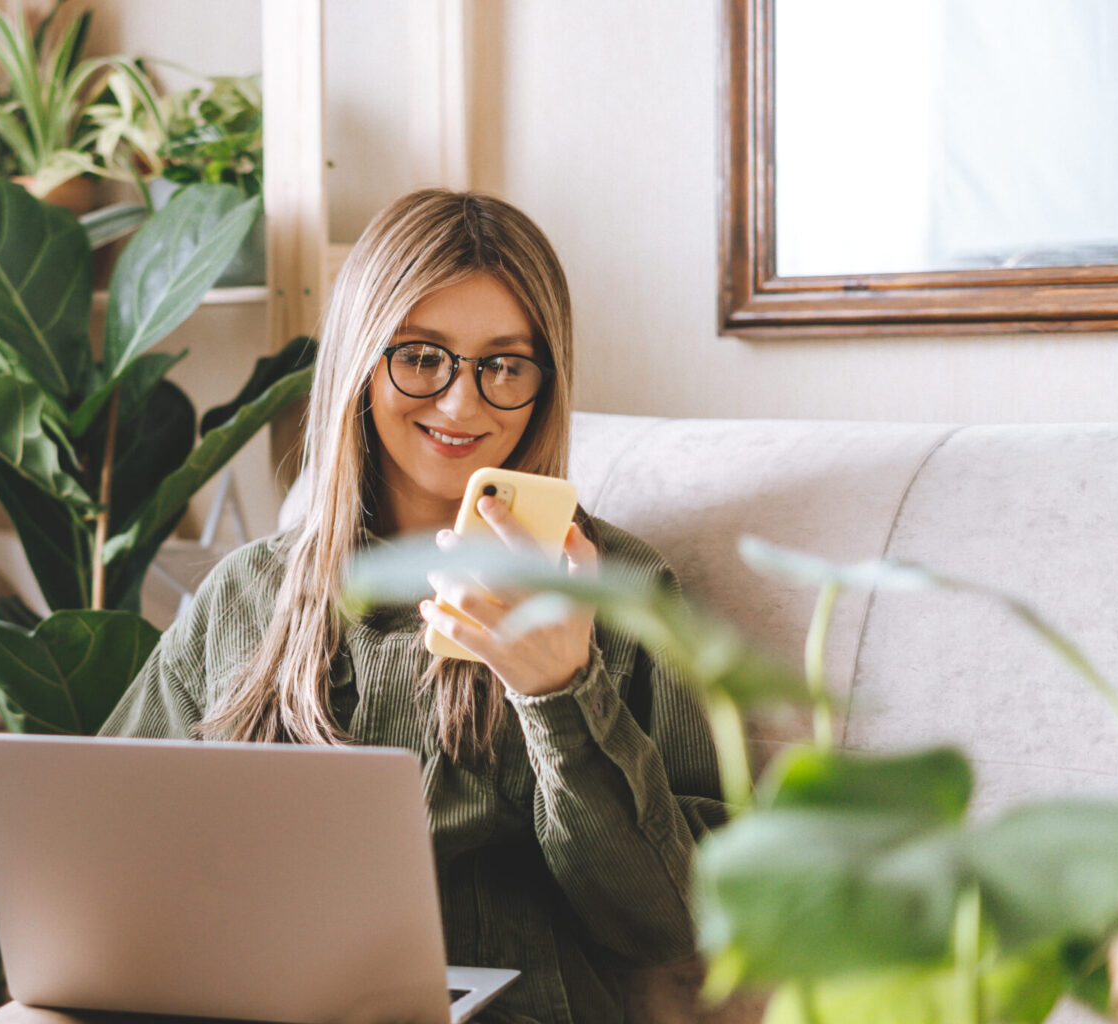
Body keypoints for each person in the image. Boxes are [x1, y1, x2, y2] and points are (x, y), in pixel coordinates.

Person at [98, 188, 728, 1024]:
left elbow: (666, 923)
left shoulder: (618, 589)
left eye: (504, 365)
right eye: (423, 356)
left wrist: (560, 693)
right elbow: (104, 845)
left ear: (544, 381)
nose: (463, 405)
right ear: (362, 359)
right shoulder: (250, 591)